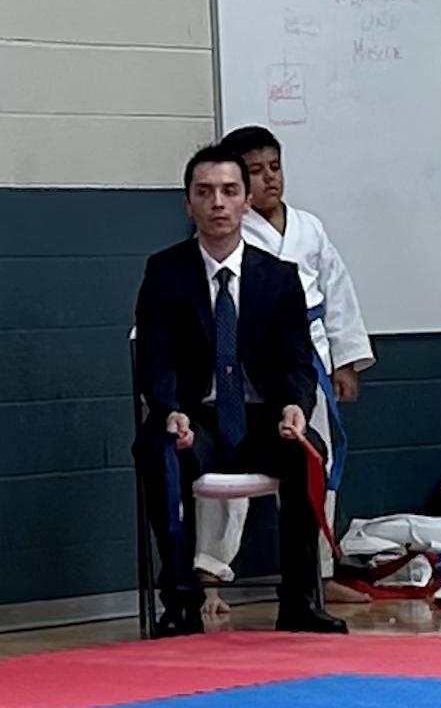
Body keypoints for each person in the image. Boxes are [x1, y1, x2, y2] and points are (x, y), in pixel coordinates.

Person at [133, 144, 344, 638]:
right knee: (156, 450)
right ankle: (180, 598)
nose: (218, 203)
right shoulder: (165, 272)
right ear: (189, 204)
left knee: (306, 453)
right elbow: (155, 357)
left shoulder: (279, 277)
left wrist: (297, 406)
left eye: (230, 191)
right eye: (204, 193)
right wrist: (167, 410)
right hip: (196, 417)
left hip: (262, 415)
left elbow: (298, 359)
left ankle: (299, 598)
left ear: (246, 200)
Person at [191, 125, 373, 592]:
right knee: (225, 464)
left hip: (306, 356)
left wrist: (345, 361)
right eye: (255, 171)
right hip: (246, 361)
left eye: (275, 167)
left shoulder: (309, 226)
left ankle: (317, 572)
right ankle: (209, 569)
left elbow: (338, 292)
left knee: (317, 456)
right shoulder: (231, 233)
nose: (269, 179)